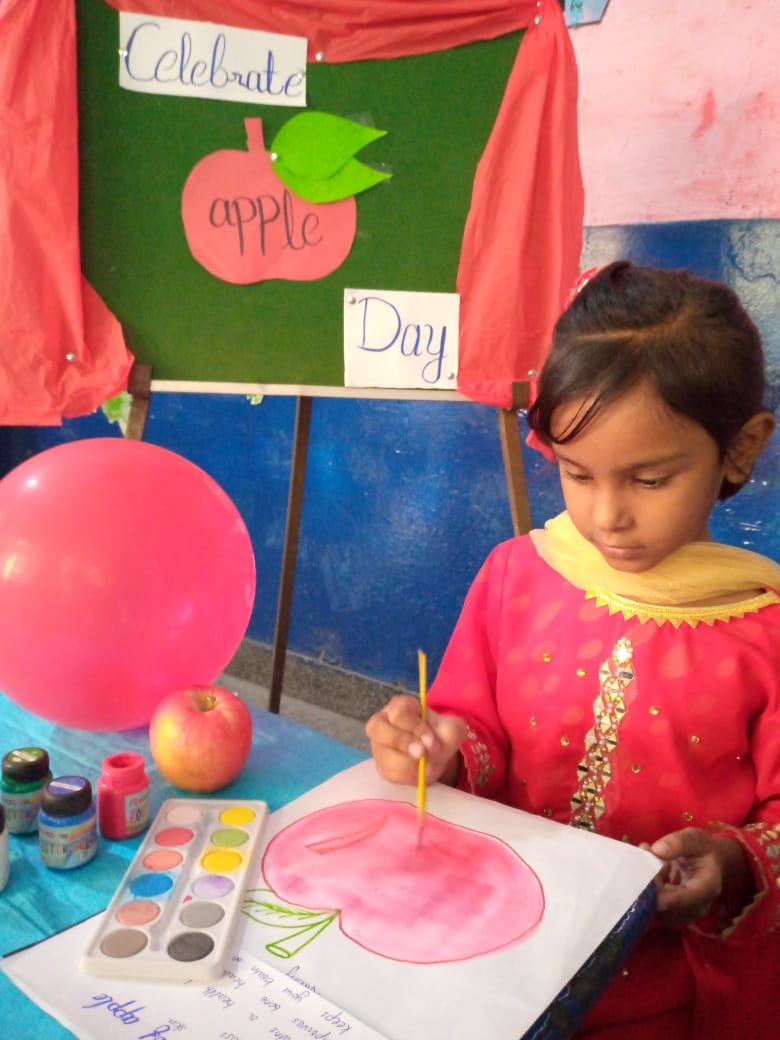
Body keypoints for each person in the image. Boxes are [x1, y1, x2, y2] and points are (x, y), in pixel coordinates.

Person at [366, 261, 780, 1040]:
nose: (606, 515)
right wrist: (439, 746)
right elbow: (472, 727)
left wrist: (728, 862)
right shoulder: (516, 576)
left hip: (667, 995)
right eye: (578, 474)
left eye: (649, 480)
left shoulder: (765, 633)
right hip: (500, 956)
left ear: (740, 448)